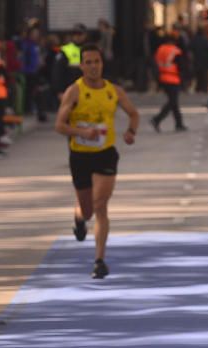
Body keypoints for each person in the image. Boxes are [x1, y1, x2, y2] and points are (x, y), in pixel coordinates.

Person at [55, 43, 140, 280]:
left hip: (105, 152)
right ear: (82, 66)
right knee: (88, 210)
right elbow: (59, 125)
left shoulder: (114, 91)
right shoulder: (75, 91)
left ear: (102, 64)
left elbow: (133, 113)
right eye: (89, 62)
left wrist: (131, 131)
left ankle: (99, 261)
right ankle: (79, 217)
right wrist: (82, 132)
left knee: (101, 205)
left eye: (97, 62)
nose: (93, 67)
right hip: (80, 155)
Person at [151, 32, 186, 132]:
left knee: (173, 102)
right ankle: (157, 119)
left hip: (162, 78)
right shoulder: (175, 51)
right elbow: (181, 66)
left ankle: (179, 124)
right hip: (173, 78)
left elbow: (156, 64)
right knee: (172, 102)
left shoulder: (160, 49)